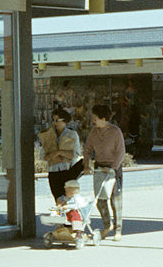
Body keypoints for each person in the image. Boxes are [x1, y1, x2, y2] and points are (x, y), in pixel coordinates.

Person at [83, 103, 125, 240]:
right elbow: (87, 149)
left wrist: (113, 168)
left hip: (113, 168)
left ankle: (118, 230)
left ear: (103, 118)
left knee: (115, 200)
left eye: (95, 118)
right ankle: (107, 225)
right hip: (100, 167)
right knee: (100, 200)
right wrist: (86, 164)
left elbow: (121, 152)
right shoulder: (94, 132)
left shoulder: (115, 131)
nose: (93, 121)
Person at [40, 107, 84, 201]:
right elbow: (42, 155)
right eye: (53, 120)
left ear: (65, 121)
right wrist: (52, 155)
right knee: (58, 201)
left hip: (67, 171)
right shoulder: (49, 135)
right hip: (53, 171)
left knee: (68, 199)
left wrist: (59, 152)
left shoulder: (72, 134)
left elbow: (76, 154)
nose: (55, 123)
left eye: (57, 120)